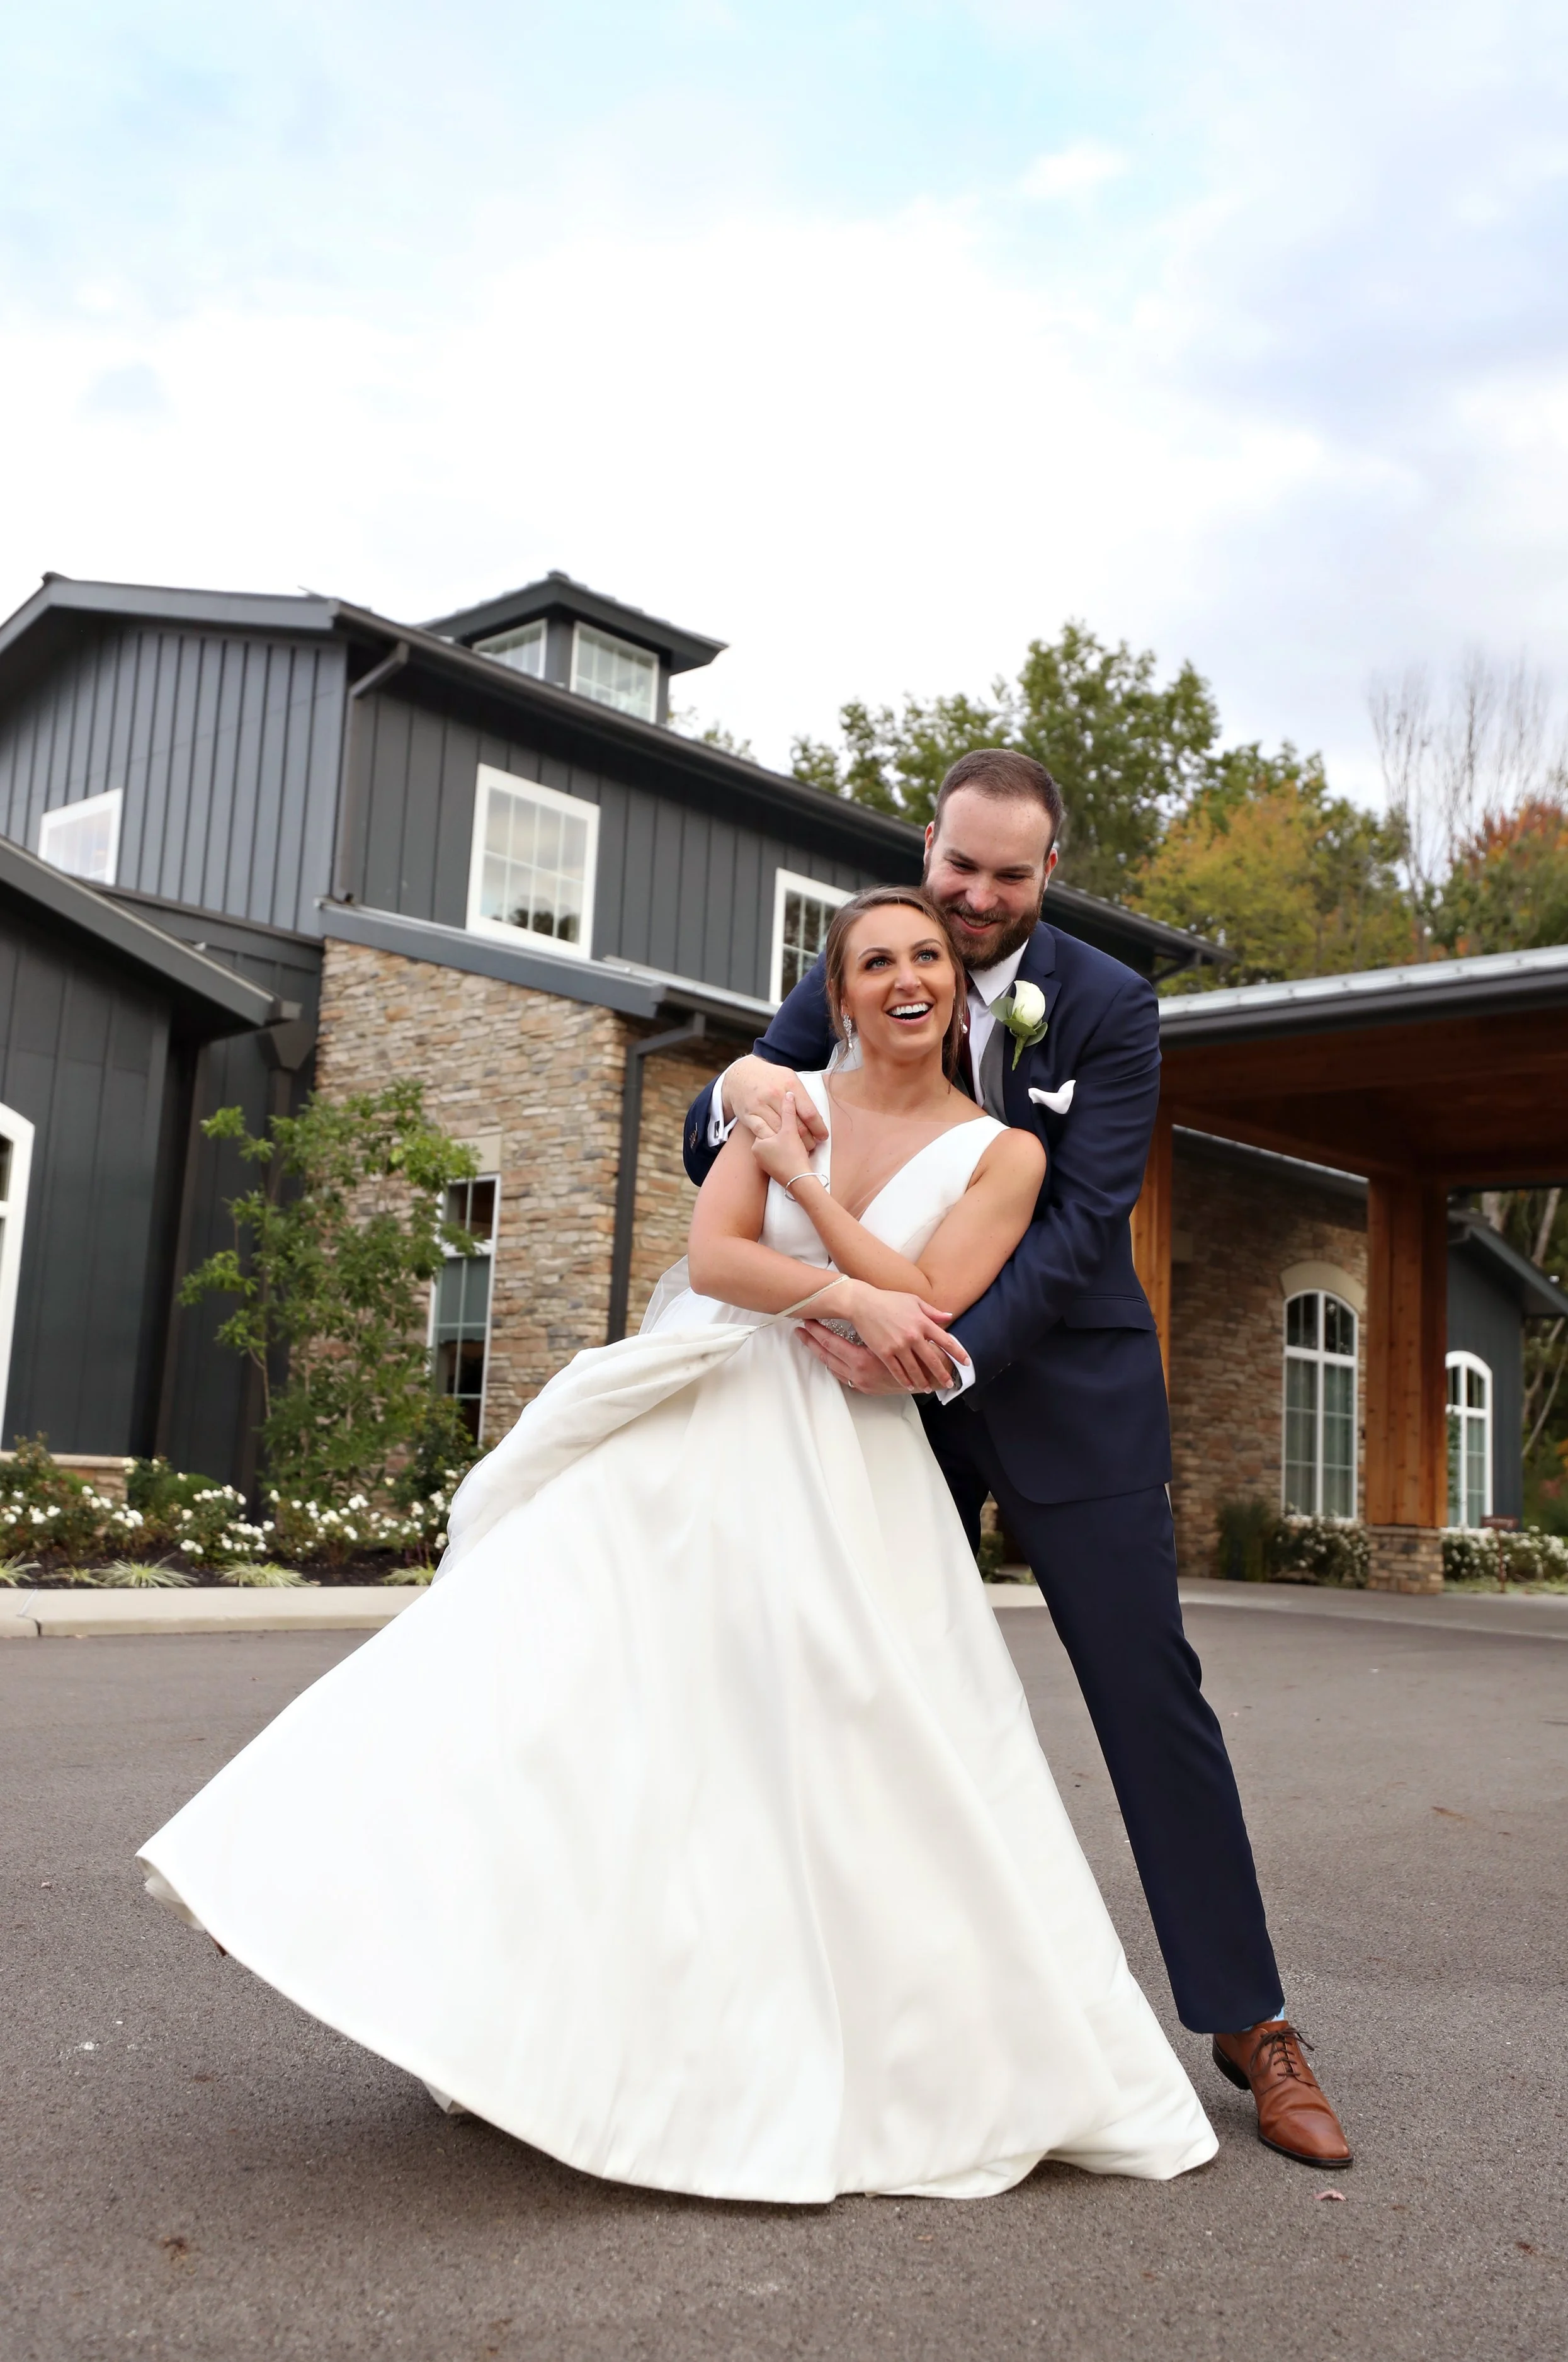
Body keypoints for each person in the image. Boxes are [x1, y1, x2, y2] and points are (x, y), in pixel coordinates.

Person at [139, 885, 1219, 2205]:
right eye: (873, 960)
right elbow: (714, 1258)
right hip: (706, 1409)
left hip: (845, 1455)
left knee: (832, 1742)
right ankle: (372, 1910)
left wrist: (812, 1204)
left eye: (923, 956)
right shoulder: (778, 1095)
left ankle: (791, 2031)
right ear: (838, 992)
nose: (902, 977)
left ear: (958, 982)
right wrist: (835, 1266)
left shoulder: (1004, 1153)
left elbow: (933, 1298)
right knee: (551, 1661)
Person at [683, 751, 1352, 2171]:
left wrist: (933, 1342)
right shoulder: (871, 953)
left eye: (1008, 876)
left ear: (1048, 874)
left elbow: (1079, 1219)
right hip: (868, 1408)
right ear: (926, 846)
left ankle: (1252, 2021)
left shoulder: (1108, 1007)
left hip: (1055, 1383)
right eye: (957, 866)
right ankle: (859, 2012)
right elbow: (729, 1132)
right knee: (853, 1690)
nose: (973, 899)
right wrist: (743, 1073)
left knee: (1143, 1690)